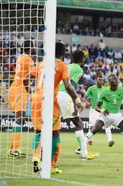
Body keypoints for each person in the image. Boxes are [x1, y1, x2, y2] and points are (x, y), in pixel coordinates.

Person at [26, 42, 84, 174]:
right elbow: (68, 86)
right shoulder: (62, 65)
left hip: (36, 99)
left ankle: (37, 160)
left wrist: (30, 93)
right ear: (63, 54)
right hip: (50, 100)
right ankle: (49, 164)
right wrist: (77, 100)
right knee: (54, 132)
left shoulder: (41, 63)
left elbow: (26, 78)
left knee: (38, 131)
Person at [58, 50, 95, 160]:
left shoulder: (67, 66)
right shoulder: (78, 69)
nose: (84, 60)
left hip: (55, 94)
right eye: (83, 58)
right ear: (80, 59)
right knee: (78, 123)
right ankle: (84, 153)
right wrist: (76, 102)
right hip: (64, 95)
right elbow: (70, 85)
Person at [85, 74, 123, 152]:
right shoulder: (104, 92)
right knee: (95, 129)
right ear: (109, 82)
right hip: (105, 115)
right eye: (112, 80)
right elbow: (97, 107)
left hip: (117, 115)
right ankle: (82, 145)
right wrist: (102, 110)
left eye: (115, 79)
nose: (114, 81)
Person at [8, 40, 35, 157]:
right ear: (30, 47)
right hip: (20, 90)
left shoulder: (20, 57)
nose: (34, 49)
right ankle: (14, 150)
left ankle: (12, 149)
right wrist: (32, 94)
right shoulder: (29, 59)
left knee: (19, 119)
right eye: (33, 46)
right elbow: (26, 80)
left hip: (14, 88)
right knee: (20, 119)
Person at [84, 74, 114, 147]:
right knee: (92, 126)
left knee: (107, 125)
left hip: (102, 110)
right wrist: (87, 102)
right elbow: (85, 96)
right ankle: (90, 140)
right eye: (99, 80)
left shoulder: (105, 89)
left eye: (102, 80)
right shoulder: (91, 88)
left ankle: (110, 140)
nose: (101, 81)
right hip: (94, 110)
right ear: (96, 81)